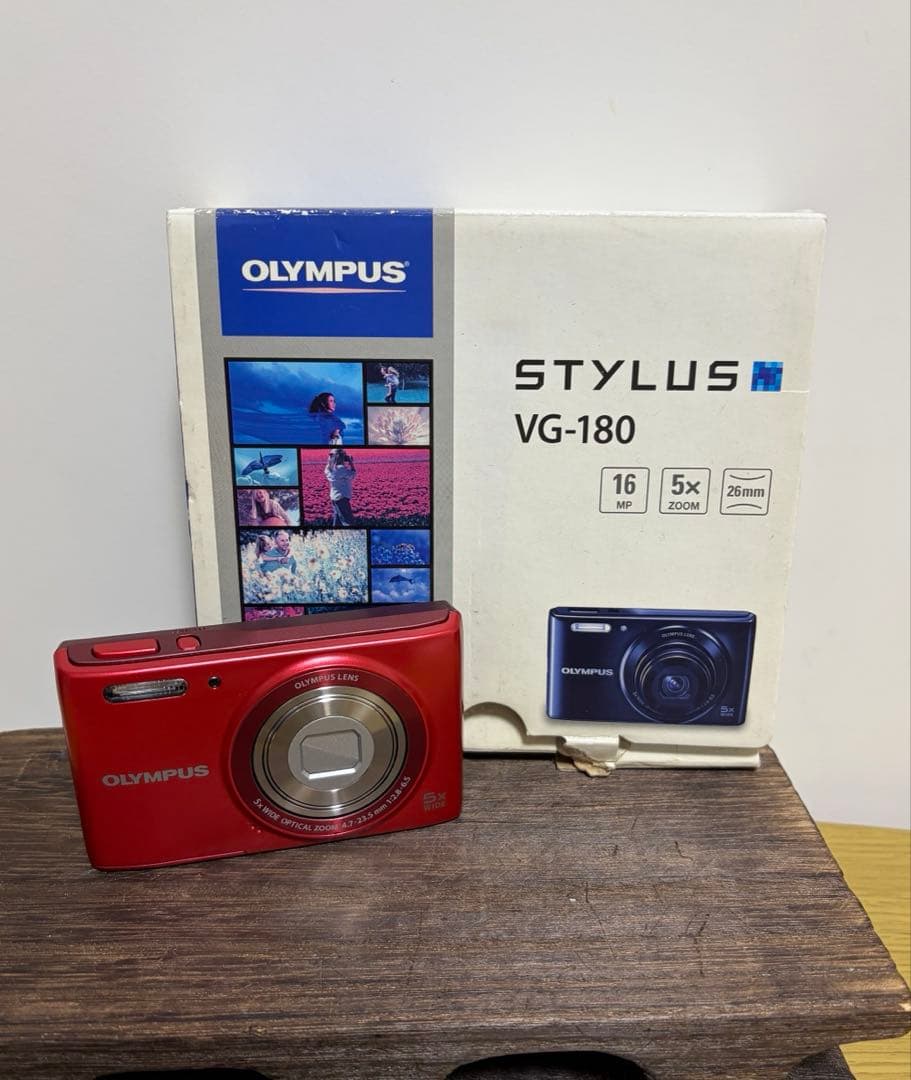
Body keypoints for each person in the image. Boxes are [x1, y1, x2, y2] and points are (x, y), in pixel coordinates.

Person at [324, 449, 357, 527]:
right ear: (340, 457)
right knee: (348, 521)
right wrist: (351, 462)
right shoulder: (341, 469)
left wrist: (331, 459)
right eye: (343, 456)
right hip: (342, 498)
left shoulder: (329, 469)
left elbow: (329, 466)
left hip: (334, 497)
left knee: (337, 519)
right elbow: (353, 474)